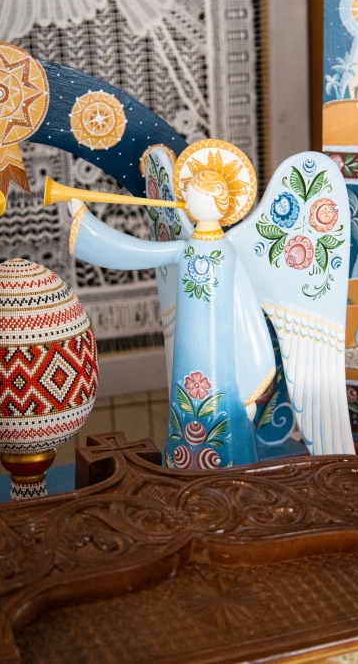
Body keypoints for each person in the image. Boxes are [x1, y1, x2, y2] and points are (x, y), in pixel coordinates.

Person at [68, 169, 276, 470]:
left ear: (215, 201)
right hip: (189, 362)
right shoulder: (187, 250)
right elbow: (136, 253)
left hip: (223, 365)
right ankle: (184, 466)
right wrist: (86, 225)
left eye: (195, 193)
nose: (187, 198)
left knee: (219, 415)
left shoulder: (225, 254)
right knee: (188, 409)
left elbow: (247, 311)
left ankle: (225, 468)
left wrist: (254, 377)